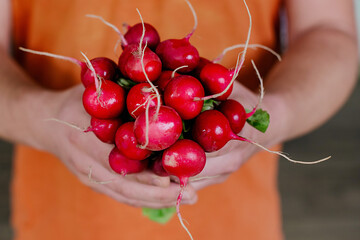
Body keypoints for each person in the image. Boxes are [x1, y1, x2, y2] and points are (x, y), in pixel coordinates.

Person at [0, 0, 358, 239]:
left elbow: (328, 31)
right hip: (61, 220)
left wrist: (275, 114)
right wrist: (45, 120)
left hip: (234, 222)